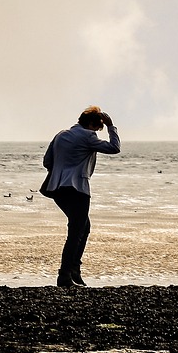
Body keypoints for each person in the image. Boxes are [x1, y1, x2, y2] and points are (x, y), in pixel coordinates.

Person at [41, 105, 120, 287]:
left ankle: (74, 269)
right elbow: (114, 148)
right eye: (97, 128)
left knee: (83, 227)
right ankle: (65, 275)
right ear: (92, 124)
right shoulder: (88, 137)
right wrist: (111, 126)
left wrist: (61, 170)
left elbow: (47, 161)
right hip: (77, 188)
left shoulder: (61, 135)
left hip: (57, 188)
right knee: (76, 232)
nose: (97, 132)